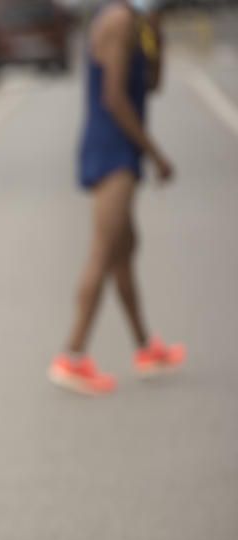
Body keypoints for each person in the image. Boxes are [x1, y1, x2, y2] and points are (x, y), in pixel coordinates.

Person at [49, 0, 185, 396]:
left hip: (121, 148)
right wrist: (154, 153)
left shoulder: (138, 24)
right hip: (112, 150)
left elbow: (151, 86)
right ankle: (72, 355)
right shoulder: (120, 20)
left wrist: (158, 36)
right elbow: (114, 98)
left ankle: (146, 348)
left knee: (125, 250)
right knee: (105, 250)